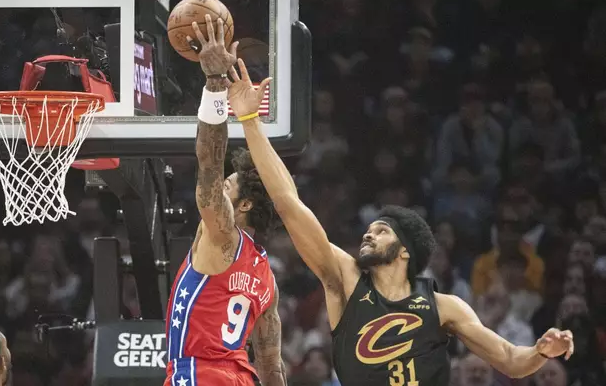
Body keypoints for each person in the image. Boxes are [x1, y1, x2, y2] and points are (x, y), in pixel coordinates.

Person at [226, 59, 575, 385]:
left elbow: (511, 359)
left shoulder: (444, 306)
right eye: (370, 227)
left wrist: (541, 351)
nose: (369, 232)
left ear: (405, 250)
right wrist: (250, 121)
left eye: (382, 230)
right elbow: (289, 205)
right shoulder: (345, 281)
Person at [164, 15, 285, 386]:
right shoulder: (267, 278)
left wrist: (215, 83)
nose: (223, 187)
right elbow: (270, 367)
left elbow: (209, 162)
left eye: (231, 186)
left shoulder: (222, 234)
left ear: (244, 205)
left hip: (200, 374)